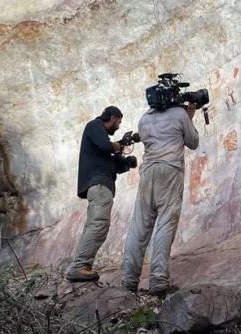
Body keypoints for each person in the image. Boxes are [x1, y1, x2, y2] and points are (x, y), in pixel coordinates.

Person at [120, 102, 199, 295]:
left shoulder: (144, 119)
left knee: (139, 226)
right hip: (170, 170)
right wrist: (190, 116)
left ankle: (128, 281)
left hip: (148, 172)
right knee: (165, 223)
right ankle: (158, 280)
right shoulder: (180, 114)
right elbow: (193, 142)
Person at [64, 105, 126, 282]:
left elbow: (111, 159)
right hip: (98, 185)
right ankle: (79, 267)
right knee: (98, 224)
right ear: (112, 117)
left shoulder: (100, 141)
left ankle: (83, 265)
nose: (119, 126)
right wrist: (119, 145)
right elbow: (106, 146)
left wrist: (125, 161)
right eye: (119, 122)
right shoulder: (95, 126)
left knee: (96, 224)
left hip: (101, 184)